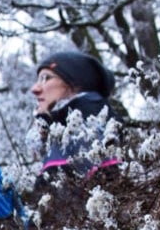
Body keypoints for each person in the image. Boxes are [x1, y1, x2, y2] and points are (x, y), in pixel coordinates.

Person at [30, 50, 122, 180]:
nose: (35, 89)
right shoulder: (65, 127)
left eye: (46, 78)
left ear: (75, 83)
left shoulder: (89, 125)